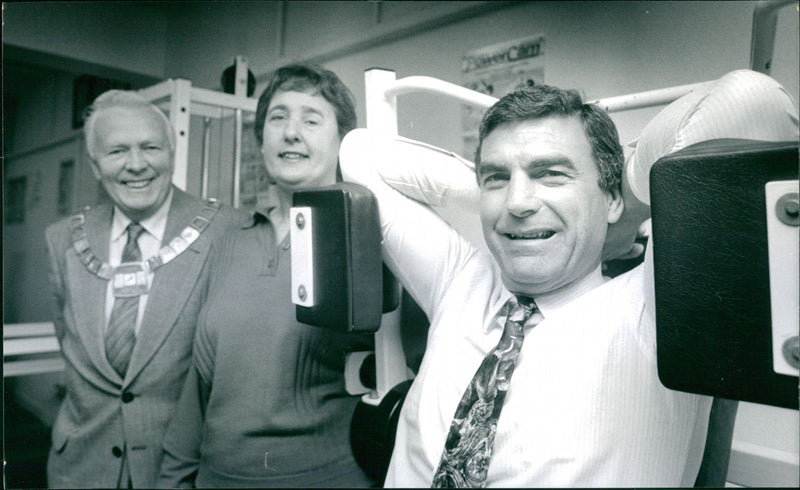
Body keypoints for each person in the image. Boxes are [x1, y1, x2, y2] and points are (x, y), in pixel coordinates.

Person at [156, 64, 373, 488]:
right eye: (278, 118)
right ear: (261, 141)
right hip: (215, 478)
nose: (291, 132)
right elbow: (199, 380)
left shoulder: (369, 236)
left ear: (342, 141)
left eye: (311, 119)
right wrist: (174, 477)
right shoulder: (228, 239)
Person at [45, 90, 246, 488]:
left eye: (150, 147)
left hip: (181, 471)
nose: (136, 165)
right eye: (117, 151)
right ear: (94, 164)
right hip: (79, 469)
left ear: (172, 151)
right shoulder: (62, 238)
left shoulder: (231, 229)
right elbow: (67, 337)